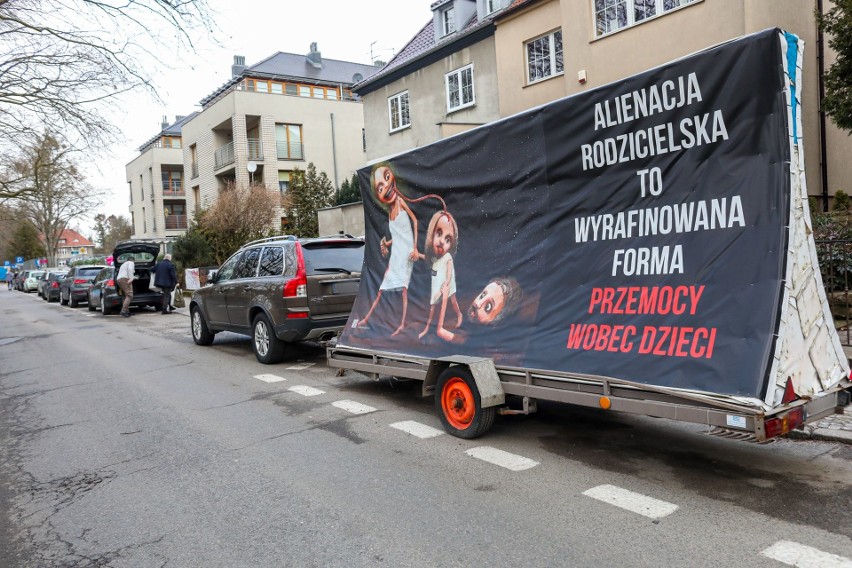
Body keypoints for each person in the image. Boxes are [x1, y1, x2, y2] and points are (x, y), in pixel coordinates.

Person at [357, 164, 423, 335]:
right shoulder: (389, 214)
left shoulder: (401, 202)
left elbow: (415, 221)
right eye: (379, 188)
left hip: (406, 253)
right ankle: (366, 319)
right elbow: (399, 236)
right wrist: (387, 244)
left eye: (386, 180)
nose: (385, 187)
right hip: (396, 255)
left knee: (404, 289)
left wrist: (415, 248)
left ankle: (402, 324)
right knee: (381, 289)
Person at [419, 210, 463, 342]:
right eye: (439, 233)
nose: (442, 241)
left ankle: (449, 322)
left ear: (452, 244)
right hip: (436, 285)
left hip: (446, 285)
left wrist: (447, 284)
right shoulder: (434, 259)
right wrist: (418, 255)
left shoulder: (447, 256)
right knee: (432, 306)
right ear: (431, 234)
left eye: (447, 239)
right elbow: (426, 258)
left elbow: (449, 270)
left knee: (453, 300)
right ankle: (427, 328)